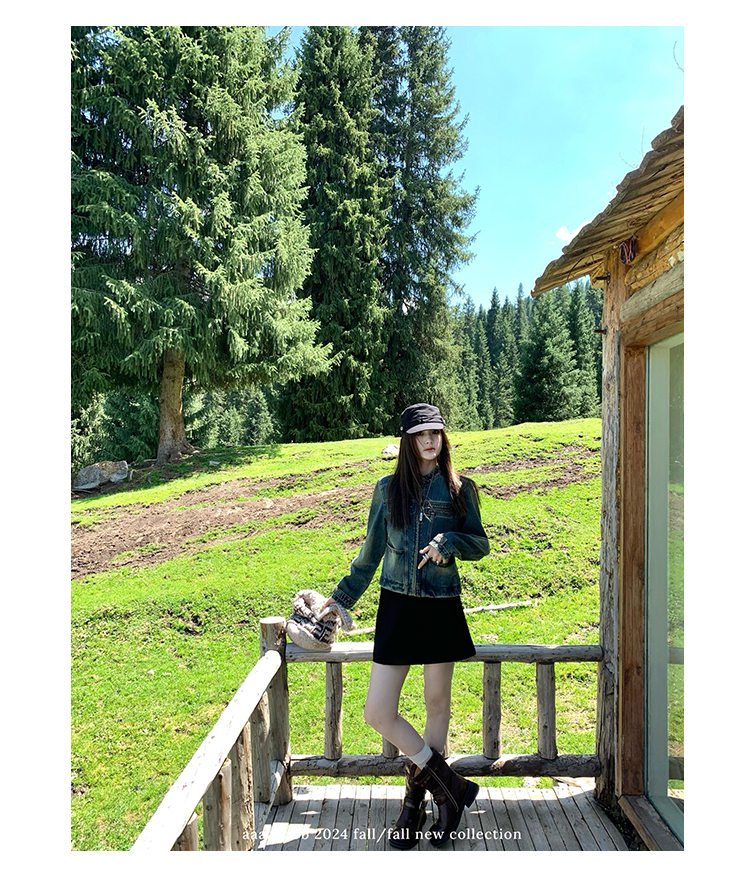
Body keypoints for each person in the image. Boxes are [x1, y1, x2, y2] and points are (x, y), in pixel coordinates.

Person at [326, 402, 490, 849]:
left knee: (437, 705)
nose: (430, 440)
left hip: (440, 606)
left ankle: (415, 803)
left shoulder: (460, 489)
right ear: (408, 441)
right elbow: (370, 553)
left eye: (435, 432)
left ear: (443, 436)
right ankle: (450, 786)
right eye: (421, 434)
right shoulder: (387, 490)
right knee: (378, 711)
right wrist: (340, 598)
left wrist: (449, 542)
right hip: (397, 606)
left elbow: (480, 544)